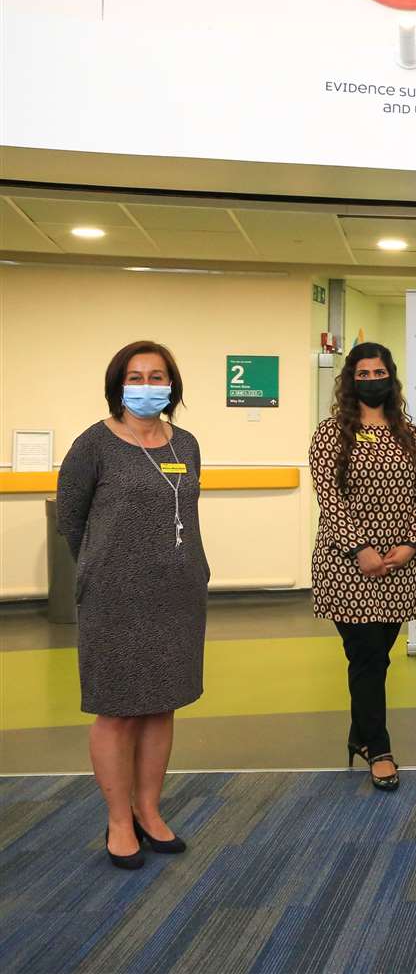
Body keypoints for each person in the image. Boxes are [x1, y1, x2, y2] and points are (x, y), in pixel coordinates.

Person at [56, 341, 208, 870]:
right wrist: (102, 569)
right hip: (114, 597)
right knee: (117, 711)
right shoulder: (93, 444)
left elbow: (184, 513)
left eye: (158, 375)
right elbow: (71, 520)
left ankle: (148, 810)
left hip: (178, 594)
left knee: (161, 704)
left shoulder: (184, 443)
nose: (148, 385)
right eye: (136, 376)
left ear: (173, 383)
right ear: (118, 384)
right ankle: (118, 820)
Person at [309, 343, 416, 792]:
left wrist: (411, 545)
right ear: (349, 380)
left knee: (377, 658)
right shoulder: (330, 435)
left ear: (391, 377)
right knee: (366, 657)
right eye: (363, 373)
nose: (372, 379)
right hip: (347, 565)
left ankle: (358, 736)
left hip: (398, 565)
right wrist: (359, 548)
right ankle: (378, 748)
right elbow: (330, 499)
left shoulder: (409, 434)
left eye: (379, 371)